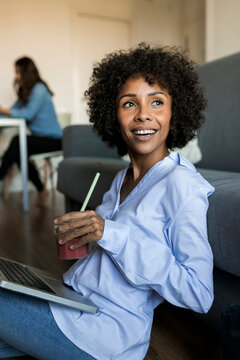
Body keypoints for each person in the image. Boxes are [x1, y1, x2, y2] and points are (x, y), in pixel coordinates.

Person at [0, 43, 214, 359]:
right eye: (129, 103)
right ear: (113, 115)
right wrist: (83, 238)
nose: (143, 114)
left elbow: (200, 294)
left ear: (175, 110)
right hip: (74, 303)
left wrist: (109, 233)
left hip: (103, 334)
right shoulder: (122, 178)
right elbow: (107, 259)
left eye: (157, 102)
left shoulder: (181, 185)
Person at [0, 56, 62, 202]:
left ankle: (1, 175)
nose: (17, 76)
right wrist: (2, 111)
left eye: (19, 72)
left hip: (55, 140)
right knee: (18, 150)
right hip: (40, 139)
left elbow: (27, 114)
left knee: (17, 143)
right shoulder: (25, 92)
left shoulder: (39, 89)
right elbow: (12, 112)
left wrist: (4, 110)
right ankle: (40, 189)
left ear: (26, 73)